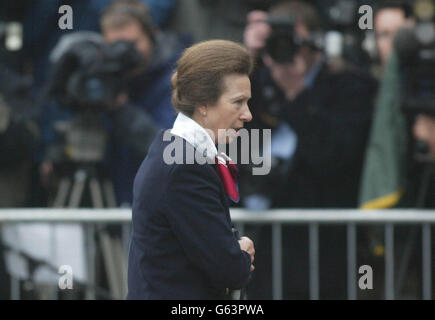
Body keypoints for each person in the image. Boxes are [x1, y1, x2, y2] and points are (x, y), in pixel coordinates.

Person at [241, 0, 378, 299]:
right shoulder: (253, 86)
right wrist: (245, 62)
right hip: (265, 254)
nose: (284, 50)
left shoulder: (350, 85)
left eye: (291, 40)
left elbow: (333, 158)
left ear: (315, 42)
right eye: (274, 42)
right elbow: (232, 146)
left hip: (327, 253)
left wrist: (296, 93)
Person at [127, 40, 255, 300]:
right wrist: (241, 253)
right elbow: (229, 269)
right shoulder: (184, 166)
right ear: (202, 103)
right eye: (238, 102)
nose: (248, 115)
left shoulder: (175, 151)